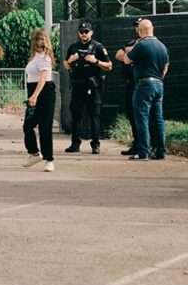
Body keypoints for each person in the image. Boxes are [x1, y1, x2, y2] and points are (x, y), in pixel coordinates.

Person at [63, 22, 112, 154]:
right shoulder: (73, 47)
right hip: (77, 85)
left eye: (86, 31)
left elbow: (109, 65)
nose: (84, 34)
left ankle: (95, 144)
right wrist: (70, 61)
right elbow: (66, 65)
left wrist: (95, 61)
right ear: (78, 32)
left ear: (91, 32)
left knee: (94, 116)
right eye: (81, 31)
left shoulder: (98, 47)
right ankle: (75, 144)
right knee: (76, 115)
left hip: (92, 86)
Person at [124, 19, 170, 161]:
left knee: (142, 117)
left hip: (144, 84)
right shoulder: (162, 46)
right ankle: (160, 151)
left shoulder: (141, 45)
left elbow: (126, 60)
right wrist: (158, 78)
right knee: (158, 119)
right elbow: (165, 67)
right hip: (158, 84)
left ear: (141, 31)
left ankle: (143, 151)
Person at [23, 28, 56, 172]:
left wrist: (35, 95)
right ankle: (35, 153)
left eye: (41, 40)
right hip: (33, 91)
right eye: (37, 40)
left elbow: (43, 78)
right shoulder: (34, 56)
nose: (39, 43)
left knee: (45, 127)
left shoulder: (45, 58)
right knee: (28, 125)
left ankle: (49, 160)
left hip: (44, 93)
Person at [115, 19, 144, 156]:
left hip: (141, 83)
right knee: (132, 115)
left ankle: (144, 145)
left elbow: (133, 55)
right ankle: (136, 143)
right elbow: (119, 55)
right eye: (136, 27)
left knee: (142, 115)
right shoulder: (131, 42)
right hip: (130, 83)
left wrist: (130, 54)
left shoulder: (146, 42)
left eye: (139, 26)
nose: (137, 29)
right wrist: (130, 54)